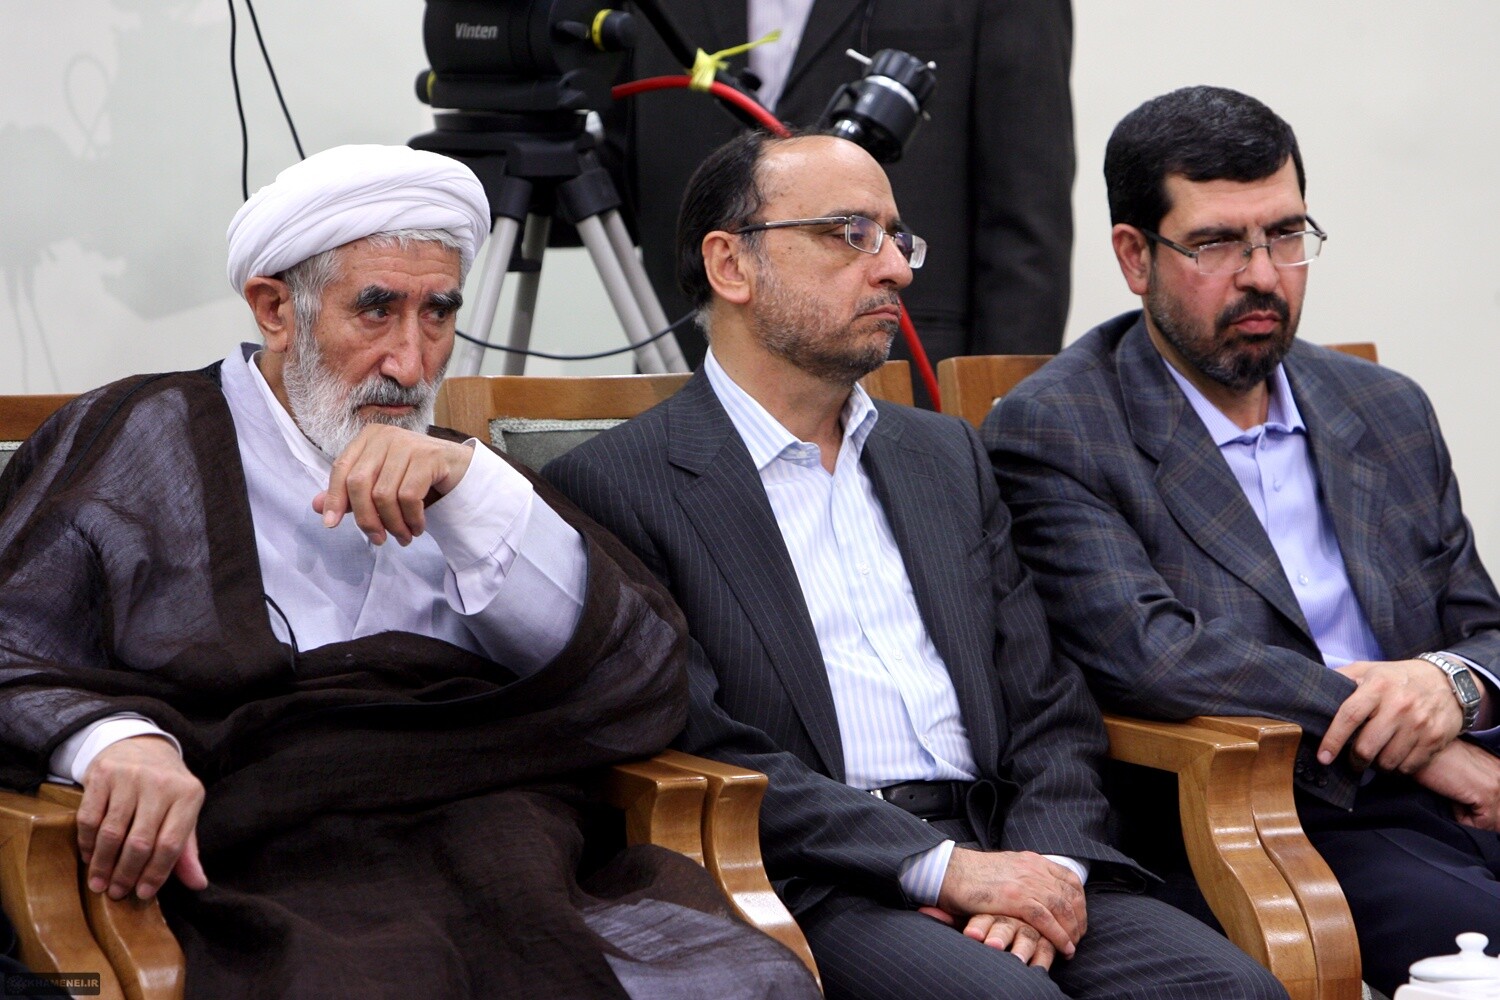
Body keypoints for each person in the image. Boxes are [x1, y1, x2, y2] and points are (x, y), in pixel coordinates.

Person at [0, 144, 819, 1000]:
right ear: (275, 309)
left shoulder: (468, 479)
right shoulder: (142, 434)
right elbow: (14, 639)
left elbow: (632, 674)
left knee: (741, 980)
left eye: (438, 314)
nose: (412, 362)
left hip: (511, 855)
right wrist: (114, 740)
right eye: (376, 311)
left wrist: (473, 495)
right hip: (266, 868)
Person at [545, 129, 1286, 1000]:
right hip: (821, 879)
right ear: (730, 265)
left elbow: (1048, 705)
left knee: (1236, 991)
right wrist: (939, 868)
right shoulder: (618, 485)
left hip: (1013, 849)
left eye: (897, 238)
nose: (896, 268)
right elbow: (699, 742)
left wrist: (1047, 867)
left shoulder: (945, 456)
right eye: (851, 234)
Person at [984, 85, 1500, 997]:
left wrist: (1451, 688)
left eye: (1286, 235)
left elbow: (1480, 625)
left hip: (1466, 786)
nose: (1263, 274)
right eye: (1218, 243)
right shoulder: (1058, 428)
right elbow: (1154, 655)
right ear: (1135, 256)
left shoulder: (1384, 406)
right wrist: (1411, 738)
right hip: (1269, 816)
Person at [610, 0, 1075, 401]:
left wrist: (1004, 412)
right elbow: (611, 167)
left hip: (908, 378)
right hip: (682, 359)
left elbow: (1026, 223)